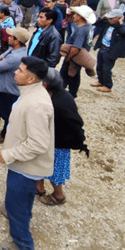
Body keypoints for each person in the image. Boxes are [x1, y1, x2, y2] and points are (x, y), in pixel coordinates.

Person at [0, 56, 54, 250]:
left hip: (26, 167)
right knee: (21, 200)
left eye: (20, 71)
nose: (15, 72)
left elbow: (38, 143)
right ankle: (18, 214)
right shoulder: (30, 93)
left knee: (17, 205)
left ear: (31, 79)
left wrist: (9, 154)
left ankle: (23, 246)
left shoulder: (36, 103)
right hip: (22, 164)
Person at [36, 68, 88, 206]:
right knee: (38, 163)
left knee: (54, 171)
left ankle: (58, 196)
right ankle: (38, 188)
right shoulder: (53, 94)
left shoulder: (61, 102)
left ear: (45, 84)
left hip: (58, 143)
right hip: (49, 140)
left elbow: (73, 124)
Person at [60, 6, 96, 98]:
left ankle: (66, 93)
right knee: (75, 74)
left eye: (76, 14)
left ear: (80, 17)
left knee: (67, 74)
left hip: (74, 56)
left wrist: (68, 58)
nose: (74, 16)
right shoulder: (88, 27)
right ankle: (72, 93)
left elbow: (76, 47)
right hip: (80, 57)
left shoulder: (81, 30)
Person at [92, 9, 125, 92]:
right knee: (99, 66)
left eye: (111, 18)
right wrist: (103, 17)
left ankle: (108, 85)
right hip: (103, 48)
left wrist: (121, 23)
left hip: (111, 51)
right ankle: (100, 81)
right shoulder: (107, 23)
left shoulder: (123, 26)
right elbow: (96, 23)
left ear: (118, 18)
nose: (109, 20)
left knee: (106, 69)